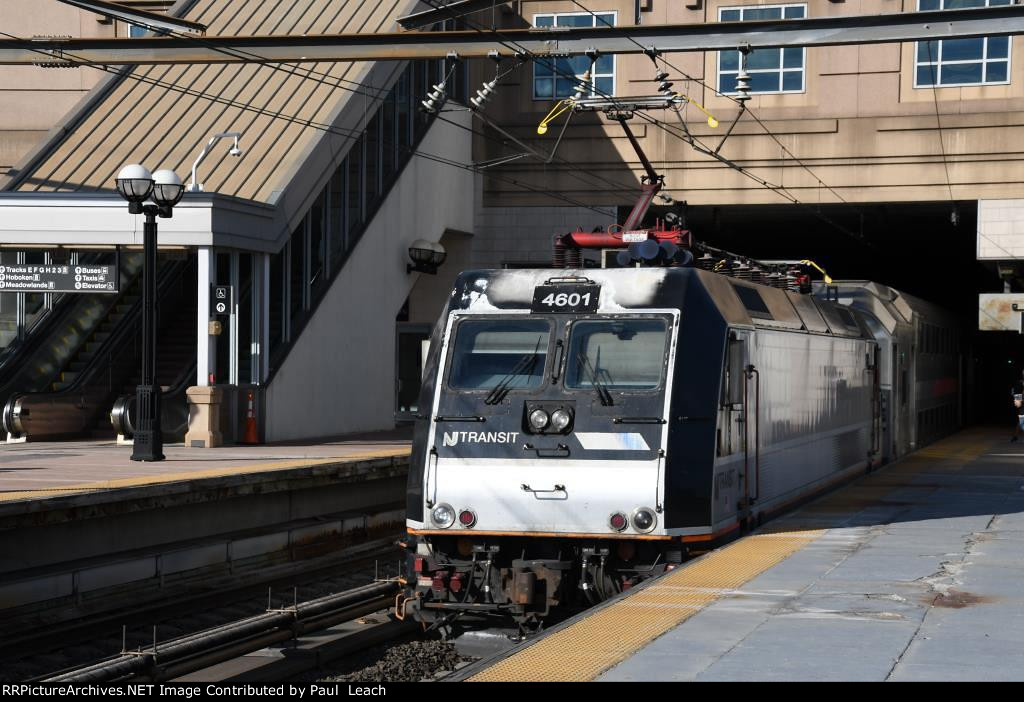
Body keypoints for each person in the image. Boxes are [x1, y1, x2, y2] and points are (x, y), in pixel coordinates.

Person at [1013, 371, 1024, 442]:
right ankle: (1015, 436)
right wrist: (1018, 402)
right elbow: (1016, 391)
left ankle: (1015, 436)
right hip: (1022, 403)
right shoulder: (1020, 382)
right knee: (1021, 421)